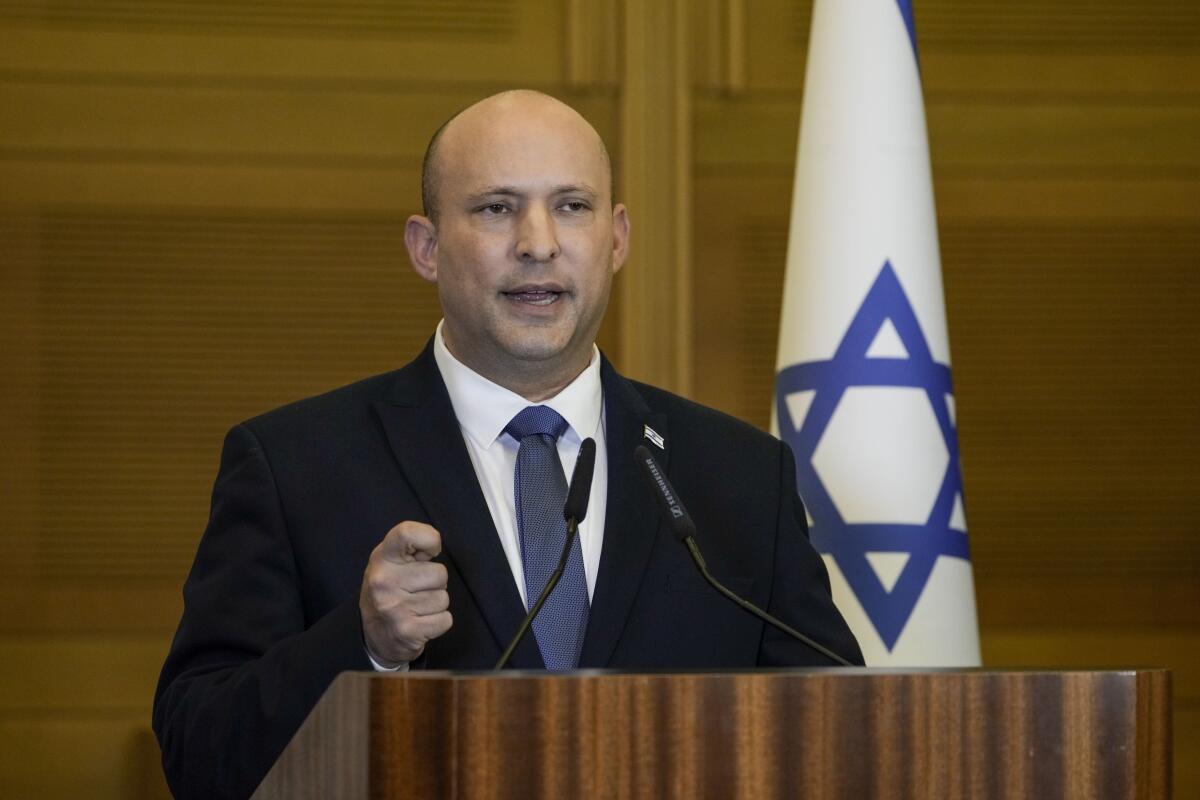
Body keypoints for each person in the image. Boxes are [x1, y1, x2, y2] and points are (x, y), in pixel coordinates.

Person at [152, 90, 863, 800]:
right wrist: (362, 646)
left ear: (616, 240)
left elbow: (845, 741)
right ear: (426, 249)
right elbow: (199, 755)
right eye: (496, 207)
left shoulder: (740, 476)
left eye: (571, 206)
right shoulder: (293, 466)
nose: (538, 242)